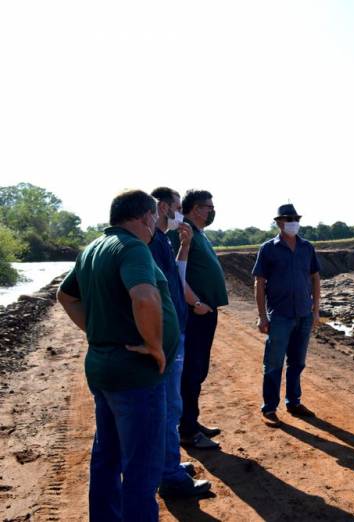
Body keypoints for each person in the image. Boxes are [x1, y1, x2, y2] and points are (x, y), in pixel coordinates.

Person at [57, 190, 180, 520]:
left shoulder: (93, 248)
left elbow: (66, 296)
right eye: (154, 216)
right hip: (135, 375)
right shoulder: (132, 247)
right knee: (141, 468)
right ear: (143, 217)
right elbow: (144, 297)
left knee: (107, 457)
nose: (157, 223)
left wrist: (98, 333)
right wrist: (155, 346)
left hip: (105, 369)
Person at [149, 187, 212, 498]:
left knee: (171, 405)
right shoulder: (149, 242)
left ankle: (168, 463)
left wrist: (184, 246)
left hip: (176, 331)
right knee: (169, 407)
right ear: (162, 208)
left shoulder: (163, 240)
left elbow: (175, 275)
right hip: (167, 337)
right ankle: (169, 476)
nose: (179, 214)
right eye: (176, 207)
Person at [169, 189, 229, 449]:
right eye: (208, 206)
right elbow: (176, 272)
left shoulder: (197, 233)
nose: (212, 210)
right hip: (195, 313)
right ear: (195, 208)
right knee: (192, 371)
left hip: (205, 312)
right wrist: (197, 303)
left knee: (198, 370)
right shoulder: (182, 232)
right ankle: (188, 431)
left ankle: (190, 421)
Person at [252, 203, 321, 427]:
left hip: (303, 313)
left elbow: (315, 278)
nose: (293, 222)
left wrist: (316, 310)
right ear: (279, 222)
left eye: (296, 218)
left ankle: (294, 402)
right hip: (280, 315)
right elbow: (259, 283)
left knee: (297, 362)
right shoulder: (268, 248)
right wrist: (262, 316)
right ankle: (269, 408)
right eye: (288, 218)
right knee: (273, 363)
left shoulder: (307, 247)